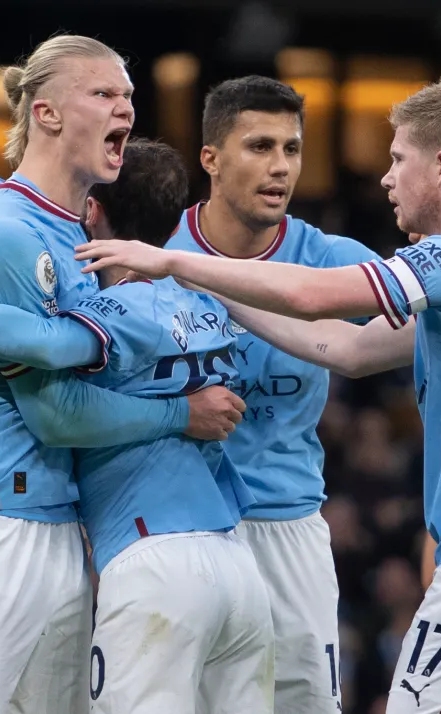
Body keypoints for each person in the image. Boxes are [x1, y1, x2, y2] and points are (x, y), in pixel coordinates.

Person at [75, 75, 441, 714]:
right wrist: (218, 292)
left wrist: (173, 264)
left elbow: (311, 296)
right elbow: (348, 349)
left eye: (397, 160)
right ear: (211, 159)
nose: (384, 178)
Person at [0, 38, 244, 714]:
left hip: (52, 523)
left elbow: (63, 354)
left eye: (130, 98)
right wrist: (181, 415)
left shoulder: (75, 239)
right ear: (47, 113)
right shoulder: (3, 228)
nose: (126, 110)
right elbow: (53, 414)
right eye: (105, 95)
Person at [160, 75, 380, 713]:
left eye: (292, 148)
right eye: (259, 146)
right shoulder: (153, 249)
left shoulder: (330, 260)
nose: (280, 166)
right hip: (177, 526)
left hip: (288, 527)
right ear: (210, 158)